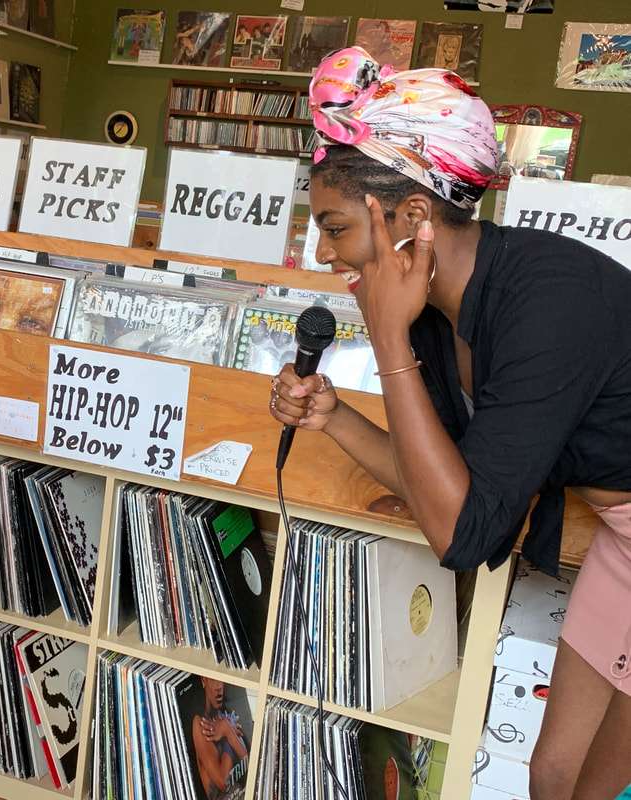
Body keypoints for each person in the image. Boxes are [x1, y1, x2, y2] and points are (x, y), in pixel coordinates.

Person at [272, 47, 631, 800]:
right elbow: (447, 490)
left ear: (410, 217)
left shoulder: (549, 298)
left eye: (334, 227)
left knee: (598, 787)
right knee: (553, 776)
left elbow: (460, 536)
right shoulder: (441, 311)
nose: (321, 250)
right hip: (621, 537)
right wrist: (335, 418)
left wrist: (387, 340)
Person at [191, 677, 248, 799]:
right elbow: (223, 783)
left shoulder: (225, 718)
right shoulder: (200, 724)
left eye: (221, 680)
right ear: (203, 680)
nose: (219, 687)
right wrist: (229, 735)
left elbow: (249, 764)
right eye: (213, 680)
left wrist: (229, 732)